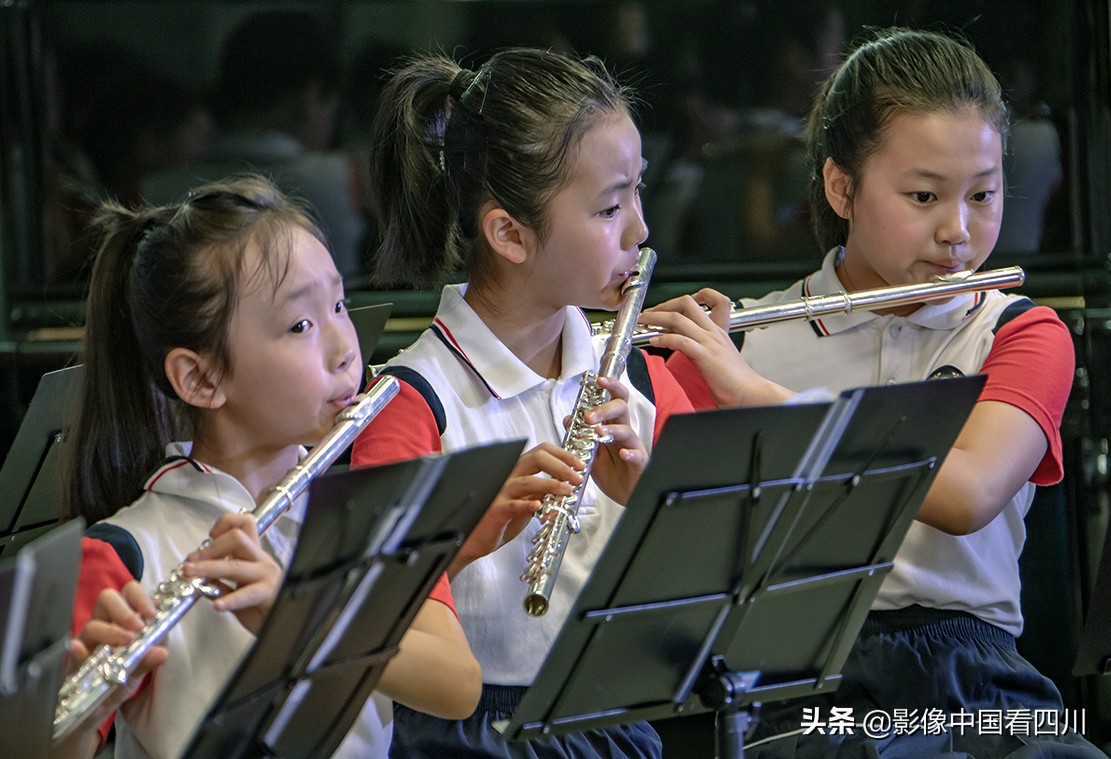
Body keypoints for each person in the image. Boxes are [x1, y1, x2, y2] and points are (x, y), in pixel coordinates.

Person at [650, 27, 1104, 757]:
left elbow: (965, 495)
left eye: (982, 194)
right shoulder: (740, 345)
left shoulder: (1020, 332)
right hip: (799, 693)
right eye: (923, 195)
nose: (957, 231)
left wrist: (760, 401)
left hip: (975, 681)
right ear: (841, 186)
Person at [350, 49, 698, 757]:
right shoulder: (410, 403)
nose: (640, 230)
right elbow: (358, 618)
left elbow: (710, 609)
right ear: (508, 232)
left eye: (638, 192)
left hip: (612, 717)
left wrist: (651, 501)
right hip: (465, 736)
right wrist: (462, 537)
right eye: (608, 206)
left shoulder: (636, 370)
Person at [62, 174, 480, 758]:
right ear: (201, 378)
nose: (344, 347)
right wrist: (88, 713)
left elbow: (457, 686)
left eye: (338, 304)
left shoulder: (362, 512)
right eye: (300, 326)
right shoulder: (126, 552)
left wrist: (298, 619)